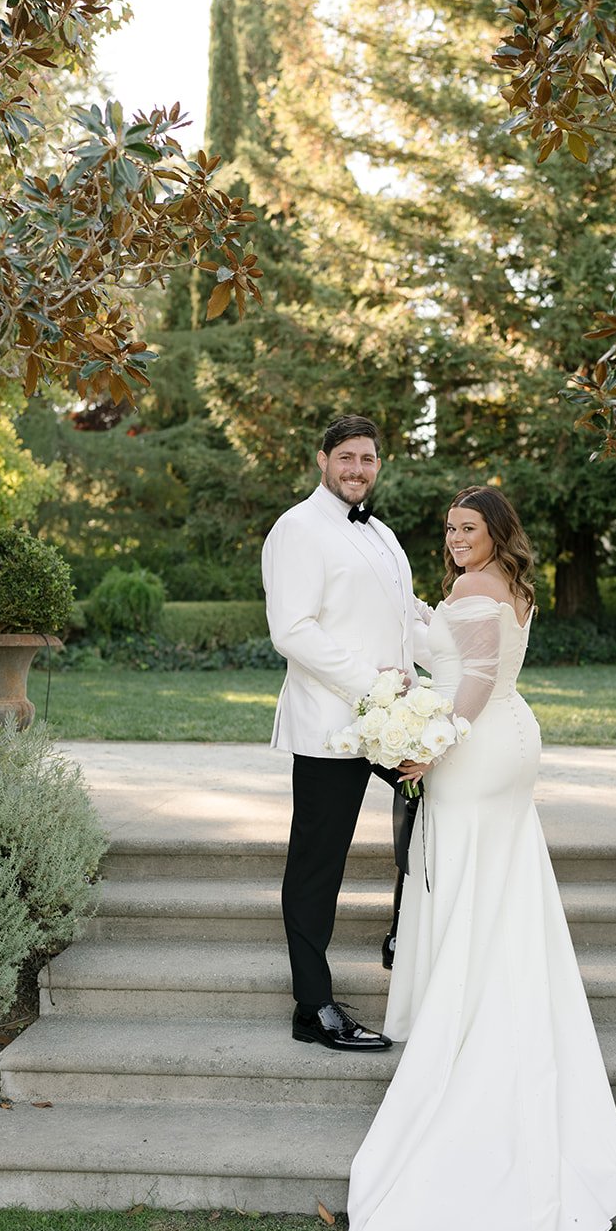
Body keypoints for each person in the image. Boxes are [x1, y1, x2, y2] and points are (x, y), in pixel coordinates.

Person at [346, 486, 616, 1231]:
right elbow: (467, 667)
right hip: (511, 737)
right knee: (498, 882)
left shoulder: (475, 590)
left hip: (475, 745)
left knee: (471, 878)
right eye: (448, 529)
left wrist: (429, 745)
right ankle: (491, 996)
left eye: (467, 529)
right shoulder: (509, 586)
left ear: (496, 532)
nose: (454, 540)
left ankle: (469, 1014)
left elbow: (469, 683)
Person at [262, 415, 423, 1052]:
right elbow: (293, 632)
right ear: (322, 459)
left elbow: (403, 619)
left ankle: (405, 927)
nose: (358, 470)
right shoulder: (297, 529)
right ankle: (313, 1006)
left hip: (391, 721)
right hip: (333, 725)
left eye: (369, 459)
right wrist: (371, 685)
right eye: (347, 458)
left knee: (434, 803)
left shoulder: (380, 531)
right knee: (316, 865)